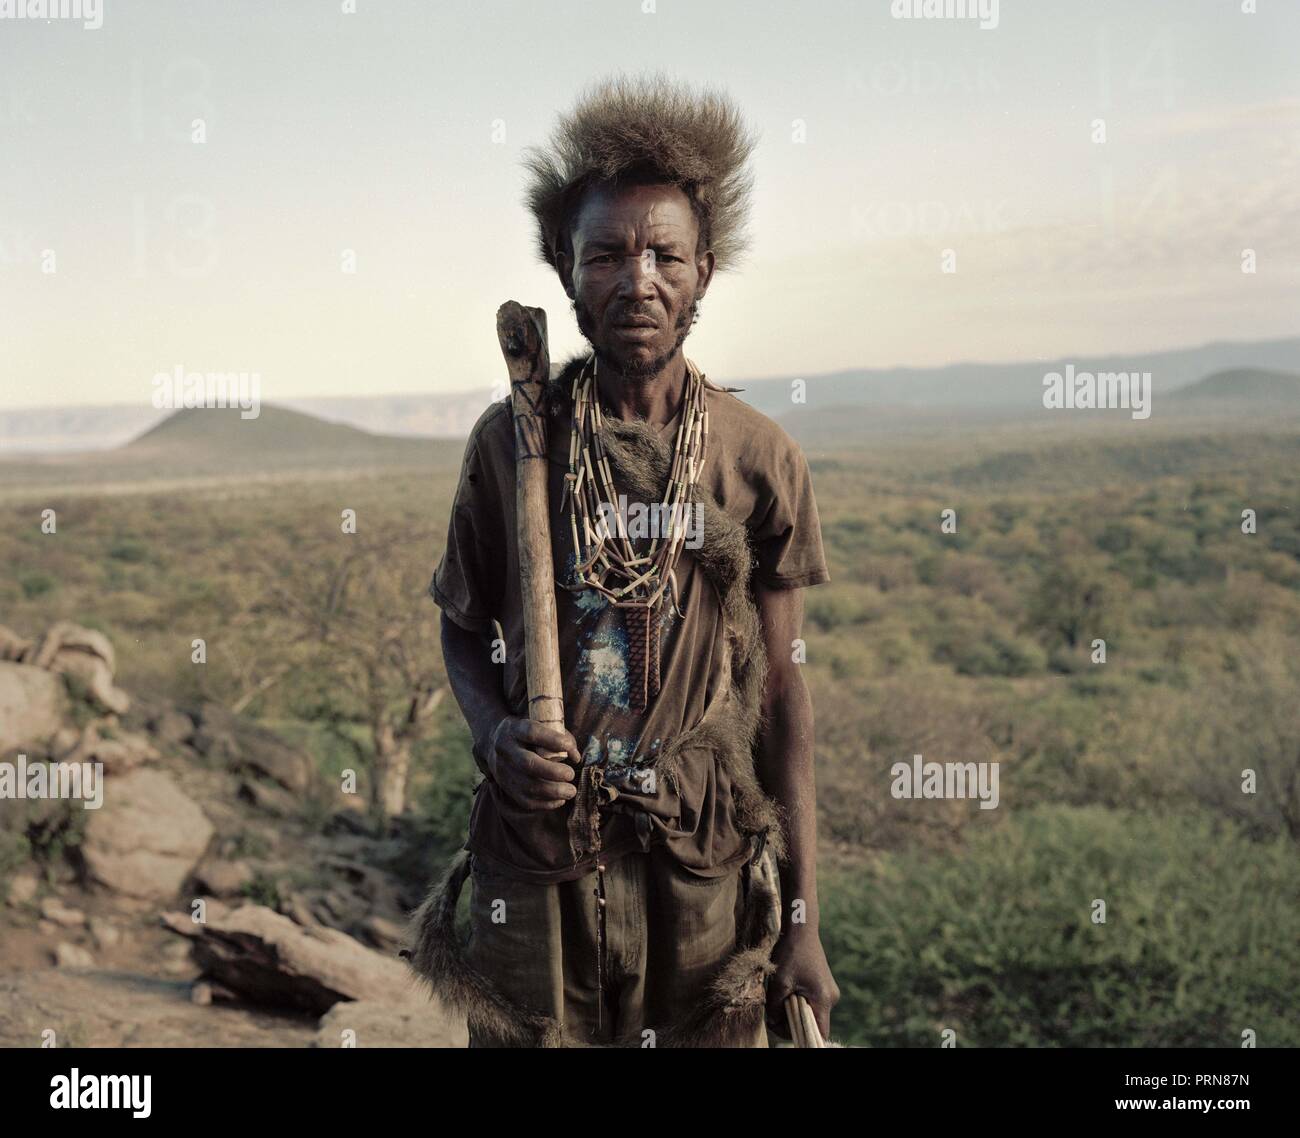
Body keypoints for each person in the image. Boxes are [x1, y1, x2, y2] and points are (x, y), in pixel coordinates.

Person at [403, 75, 838, 1047]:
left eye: (663, 254)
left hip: (703, 864)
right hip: (539, 856)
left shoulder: (756, 458)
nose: (636, 278)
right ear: (567, 271)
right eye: (606, 254)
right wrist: (493, 735)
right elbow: (461, 623)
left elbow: (782, 692)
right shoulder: (511, 444)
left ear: (703, 272)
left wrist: (803, 918)